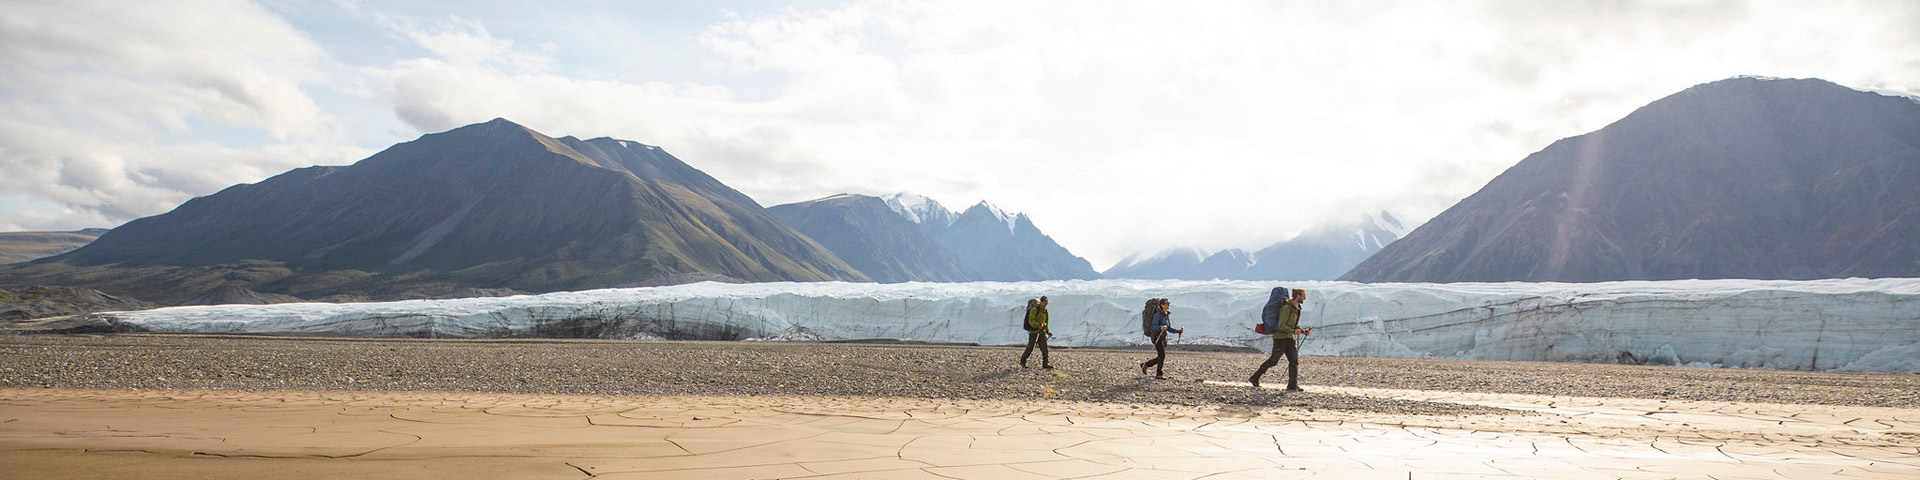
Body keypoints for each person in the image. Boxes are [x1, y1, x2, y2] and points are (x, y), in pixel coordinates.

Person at [1250, 288, 1308, 390]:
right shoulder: (1286, 308)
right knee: (1273, 361)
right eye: (1303, 295)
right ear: (1298, 296)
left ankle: (1292, 385)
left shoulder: (1297, 308)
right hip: (1280, 339)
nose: (1305, 297)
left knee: (1294, 361)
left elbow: (1292, 325)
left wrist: (1303, 331)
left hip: (1288, 338)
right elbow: (1281, 326)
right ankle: (1255, 377)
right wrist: (1294, 331)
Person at [1140, 298, 1184, 378]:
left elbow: (1168, 328)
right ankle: (1159, 373)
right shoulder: (1158, 314)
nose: (1168, 305)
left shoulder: (1166, 314)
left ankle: (1146, 365)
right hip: (1157, 336)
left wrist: (1178, 331)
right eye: (1167, 304)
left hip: (1162, 336)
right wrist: (1160, 327)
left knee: (1161, 355)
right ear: (1162, 305)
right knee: (1162, 355)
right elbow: (1153, 327)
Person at [1020, 296, 1053, 369]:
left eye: (1047, 302)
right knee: (1030, 348)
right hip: (1034, 332)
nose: (1046, 304)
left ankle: (1045, 363)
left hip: (1042, 332)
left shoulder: (1045, 311)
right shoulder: (1035, 309)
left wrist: (1048, 332)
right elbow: (1031, 320)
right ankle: (1023, 361)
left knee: (1045, 348)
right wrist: (1037, 325)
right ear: (1041, 302)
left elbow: (1045, 323)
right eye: (1045, 302)